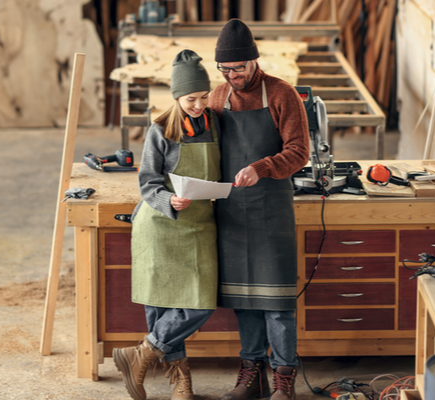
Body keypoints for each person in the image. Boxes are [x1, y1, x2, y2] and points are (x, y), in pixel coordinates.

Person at [208, 19, 310, 400]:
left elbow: (299, 152)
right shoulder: (218, 97)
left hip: (271, 210)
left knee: (278, 301)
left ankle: (284, 377)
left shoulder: (283, 94)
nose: (232, 76)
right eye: (225, 70)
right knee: (244, 299)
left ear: (254, 61)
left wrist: (262, 167)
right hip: (232, 211)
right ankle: (252, 375)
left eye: (238, 68)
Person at [112, 49, 221, 400]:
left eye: (204, 97)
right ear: (176, 97)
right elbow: (147, 182)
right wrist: (168, 200)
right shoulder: (159, 130)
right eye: (191, 99)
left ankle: (141, 354)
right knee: (160, 305)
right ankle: (180, 379)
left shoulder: (218, 124)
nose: (199, 105)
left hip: (199, 225)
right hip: (160, 225)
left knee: (200, 304)